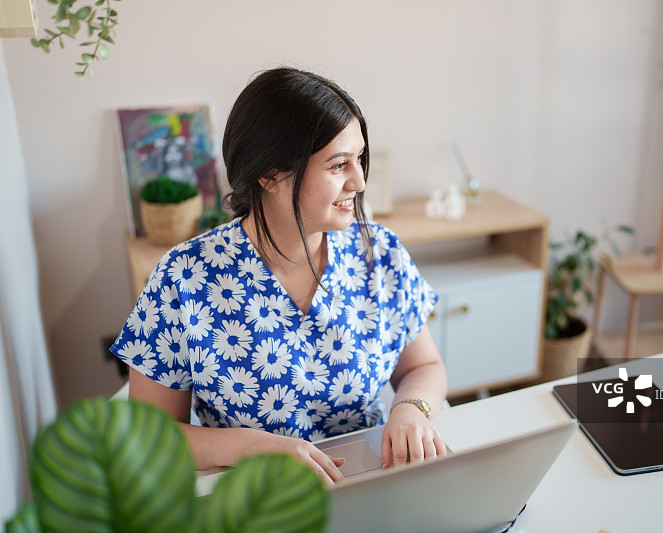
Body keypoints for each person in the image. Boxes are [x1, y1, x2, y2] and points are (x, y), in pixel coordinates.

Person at [110, 67, 448, 486]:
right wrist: (250, 446)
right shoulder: (183, 279)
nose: (359, 181)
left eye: (359, 159)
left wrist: (411, 408)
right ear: (270, 174)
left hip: (374, 485)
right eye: (338, 165)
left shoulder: (378, 252)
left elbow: (425, 366)